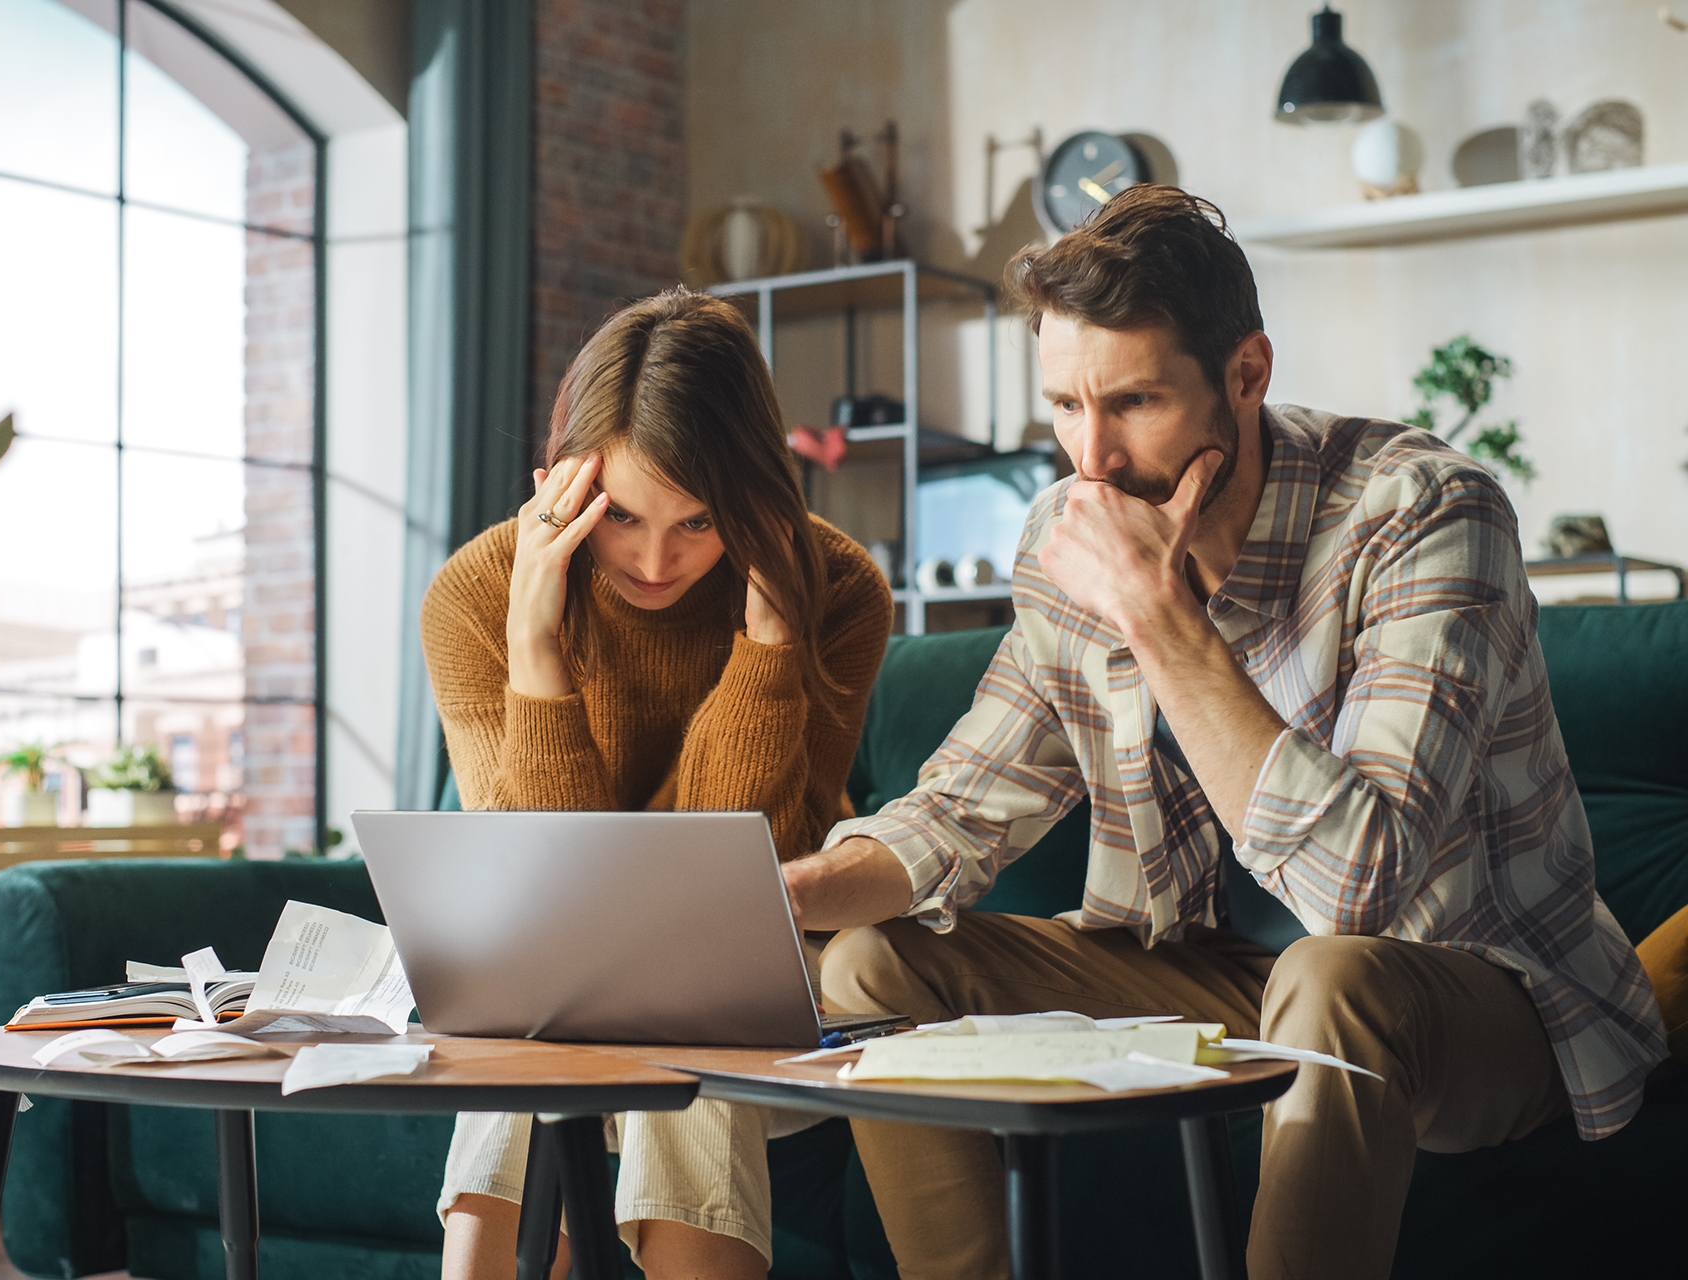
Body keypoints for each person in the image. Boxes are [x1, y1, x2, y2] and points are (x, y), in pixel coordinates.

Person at [780, 186, 1668, 1280]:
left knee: (1334, 979)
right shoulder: (1073, 530)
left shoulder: (1425, 514)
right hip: (1211, 969)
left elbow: (1360, 890)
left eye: (1134, 402)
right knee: (872, 963)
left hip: (1477, 987)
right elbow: (963, 804)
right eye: (1063, 406)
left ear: (1246, 372)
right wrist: (786, 898)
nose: (1089, 461)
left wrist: (1158, 616)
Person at [420, 287, 894, 1280]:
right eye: (621, 516)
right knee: (529, 1021)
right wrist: (535, 645)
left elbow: (735, 875)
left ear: (760, 500)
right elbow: (539, 882)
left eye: (699, 522)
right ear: (555, 487)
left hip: (765, 974)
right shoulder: (477, 590)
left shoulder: (836, 588)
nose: (651, 559)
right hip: (558, 978)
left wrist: (770, 644)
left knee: (687, 995)